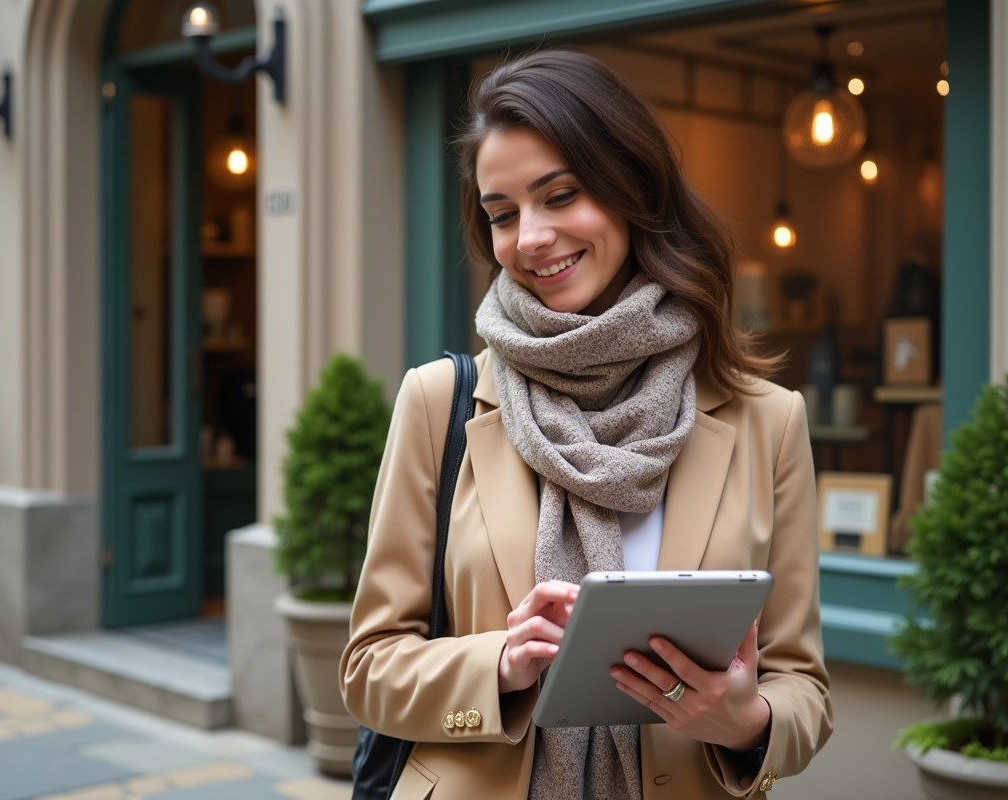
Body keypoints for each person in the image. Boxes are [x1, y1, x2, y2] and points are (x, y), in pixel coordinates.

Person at [340, 49, 832, 800]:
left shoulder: (768, 421)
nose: (529, 237)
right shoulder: (440, 401)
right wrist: (500, 665)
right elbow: (368, 668)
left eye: (560, 195)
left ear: (633, 189)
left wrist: (745, 720)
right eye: (502, 213)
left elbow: (804, 688)